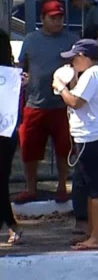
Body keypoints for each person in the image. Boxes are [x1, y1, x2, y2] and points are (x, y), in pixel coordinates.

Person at [54, 39, 98, 250]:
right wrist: (71, 83)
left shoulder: (92, 74)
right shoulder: (94, 74)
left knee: (96, 189)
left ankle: (96, 237)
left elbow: (75, 102)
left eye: (74, 58)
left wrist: (60, 86)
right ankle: (92, 233)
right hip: (92, 137)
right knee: (91, 188)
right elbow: (80, 98)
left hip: (93, 138)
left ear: (84, 57)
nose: (72, 62)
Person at [14, 0, 77, 204]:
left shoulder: (72, 40)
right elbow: (22, 66)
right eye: (53, 18)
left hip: (62, 105)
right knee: (29, 148)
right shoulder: (31, 40)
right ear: (42, 19)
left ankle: (62, 186)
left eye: (60, 18)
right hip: (35, 104)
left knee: (64, 148)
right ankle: (30, 188)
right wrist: (21, 78)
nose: (57, 21)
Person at [0, 29, 25, 245]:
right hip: (7, 134)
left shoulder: (11, 77)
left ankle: (11, 224)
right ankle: (10, 223)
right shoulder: (12, 75)